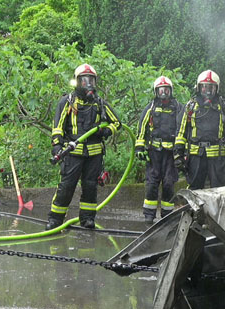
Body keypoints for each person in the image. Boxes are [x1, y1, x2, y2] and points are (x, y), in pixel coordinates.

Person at [46, 63, 121, 230]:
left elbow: (117, 122)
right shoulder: (67, 101)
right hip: (72, 153)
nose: (88, 84)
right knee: (66, 186)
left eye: (91, 80)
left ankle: (87, 219)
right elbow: (57, 126)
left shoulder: (99, 103)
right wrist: (57, 146)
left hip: (94, 154)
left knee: (90, 187)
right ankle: (55, 220)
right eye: (84, 80)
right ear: (77, 82)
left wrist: (107, 130)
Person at [174, 70, 225, 190]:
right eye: (204, 87)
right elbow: (181, 132)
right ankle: (194, 210)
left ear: (217, 89)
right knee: (194, 190)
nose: (207, 91)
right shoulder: (190, 107)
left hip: (217, 158)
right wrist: (178, 155)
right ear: (198, 88)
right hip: (195, 157)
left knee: (219, 191)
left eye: (211, 87)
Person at [135, 76, 183, 223]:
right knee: (151, 184)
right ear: (156, 91)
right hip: (153, 153)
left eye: (166, 90)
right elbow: (142, 128)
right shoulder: (151, 108)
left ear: (171, 91)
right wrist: (139, 148)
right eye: (161, 90)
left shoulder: (178, 108)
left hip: (171, 155)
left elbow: (183, 129)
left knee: (169, 184)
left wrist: (182, 151)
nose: (164, 94)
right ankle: (149, 215)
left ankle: (167, 215)